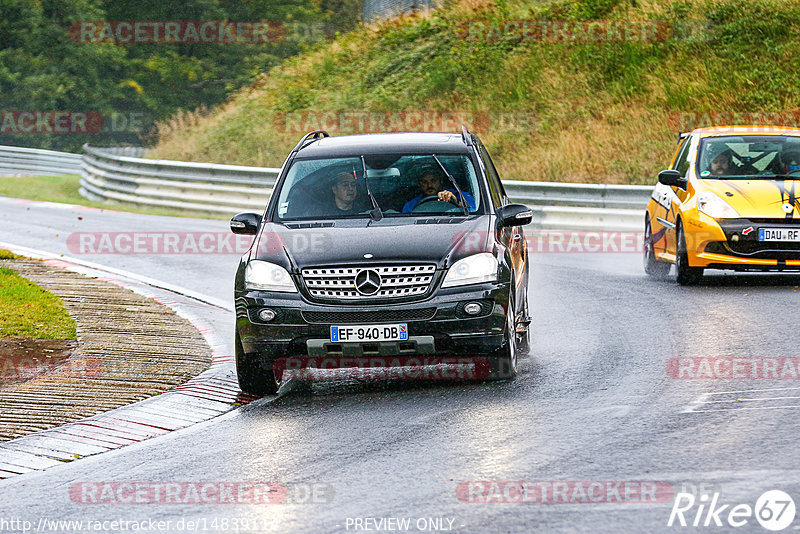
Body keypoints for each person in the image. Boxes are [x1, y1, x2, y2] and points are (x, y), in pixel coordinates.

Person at [402, 167, 476, 213]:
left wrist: (456, 201)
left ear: (440, 181)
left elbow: (474, 213)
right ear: (419, 184)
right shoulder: (410, 205)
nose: (429, 185)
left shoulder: (461, 195)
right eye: (424, 182)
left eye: (433, 180)